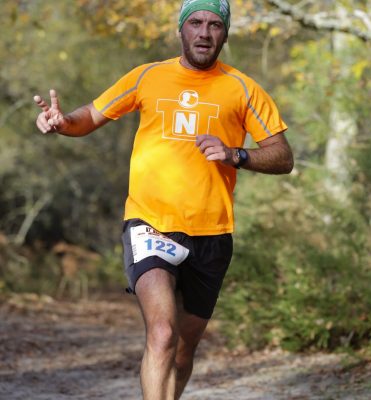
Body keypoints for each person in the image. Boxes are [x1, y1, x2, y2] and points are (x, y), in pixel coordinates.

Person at [34, 0, 294, 398]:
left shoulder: (242, 88)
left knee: (183, 352)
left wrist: (236, 154)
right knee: (162, 333)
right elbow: (90, 115)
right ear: (180, 30)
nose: (204, 33)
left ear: (225, 33)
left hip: (212, 234)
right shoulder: (147, 77)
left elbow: (282, 156)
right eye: (195, 23)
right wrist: (63, 122)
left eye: (214, 25)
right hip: (150, 223)